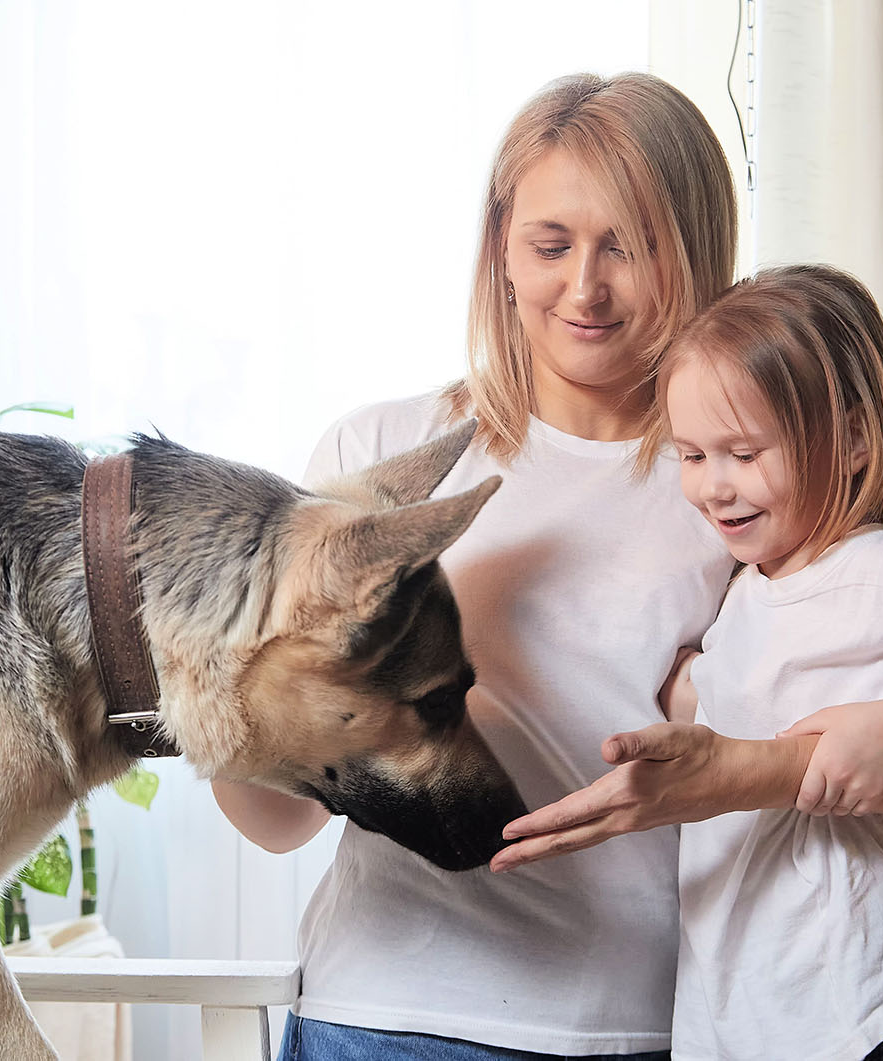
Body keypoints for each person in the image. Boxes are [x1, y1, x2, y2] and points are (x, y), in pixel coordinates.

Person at [214, 71, 741, 1059]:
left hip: (620, 1023)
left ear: (695, 250)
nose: (582, 287)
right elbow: (275, 820)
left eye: (627, 246)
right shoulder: (381, 453)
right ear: (501, 244)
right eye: (550, 244)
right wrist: (238, 701)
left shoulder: (730, 487)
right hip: (379, 1013)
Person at [516, 264, 883, 1060]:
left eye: (744, 452)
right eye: (692, 456)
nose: (714, 488)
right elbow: (739, 706)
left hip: (858, 1009)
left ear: (856, 439)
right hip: (741, 1019)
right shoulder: (747, 590)